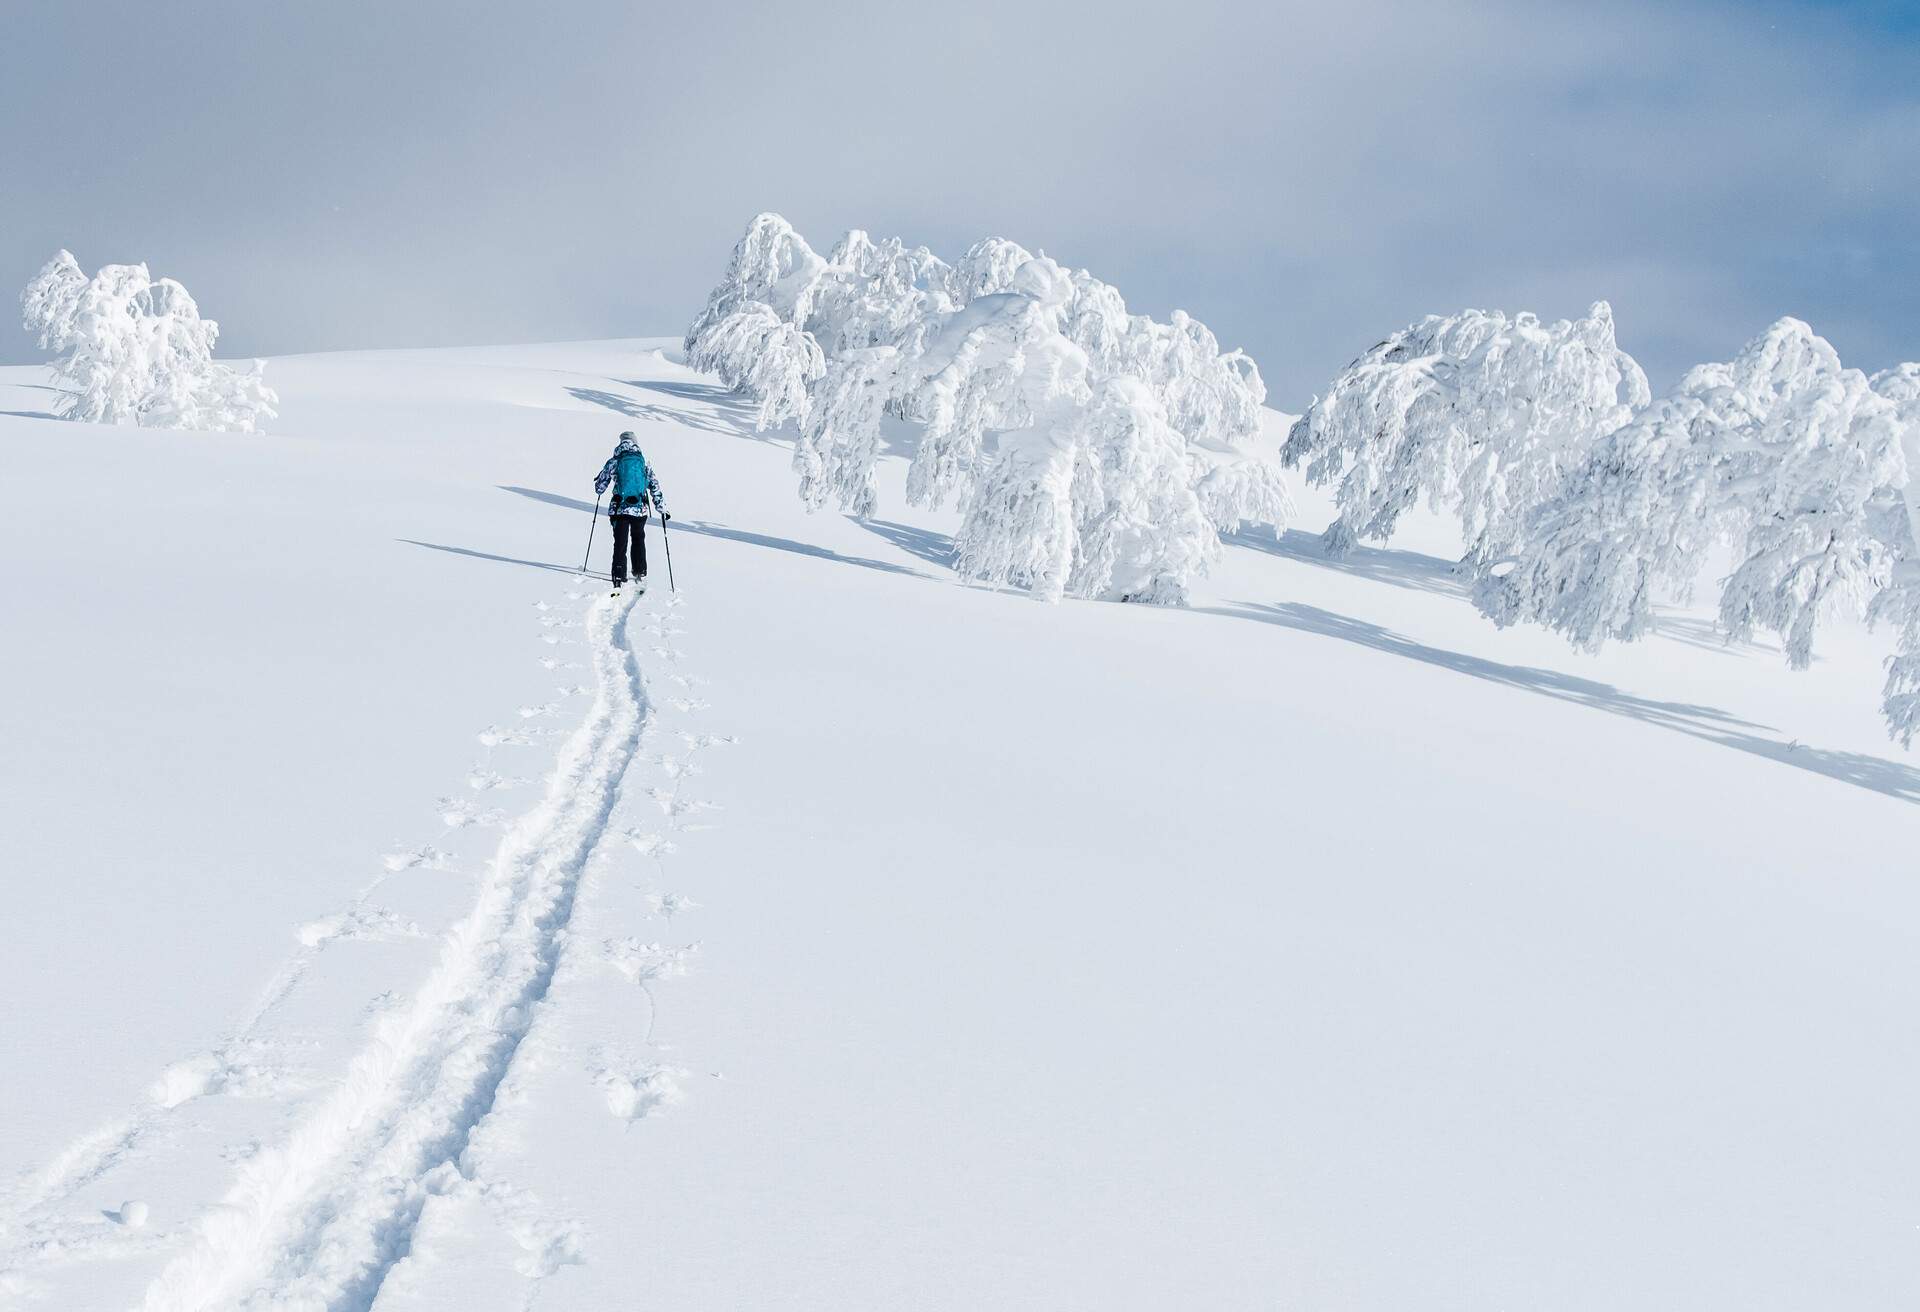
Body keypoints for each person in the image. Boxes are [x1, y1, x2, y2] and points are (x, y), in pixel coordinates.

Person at [593, 431, 668, 589]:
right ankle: (640, 570)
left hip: (620, 508)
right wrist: (661, 508)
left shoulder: (614, 461)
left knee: (620, 542)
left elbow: (600, 488)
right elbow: (654, 485)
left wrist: (600, 482)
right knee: (638, 537)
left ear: (620, 443)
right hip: (639, 509)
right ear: (635, 442)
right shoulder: (643, 462)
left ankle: (619, 574)